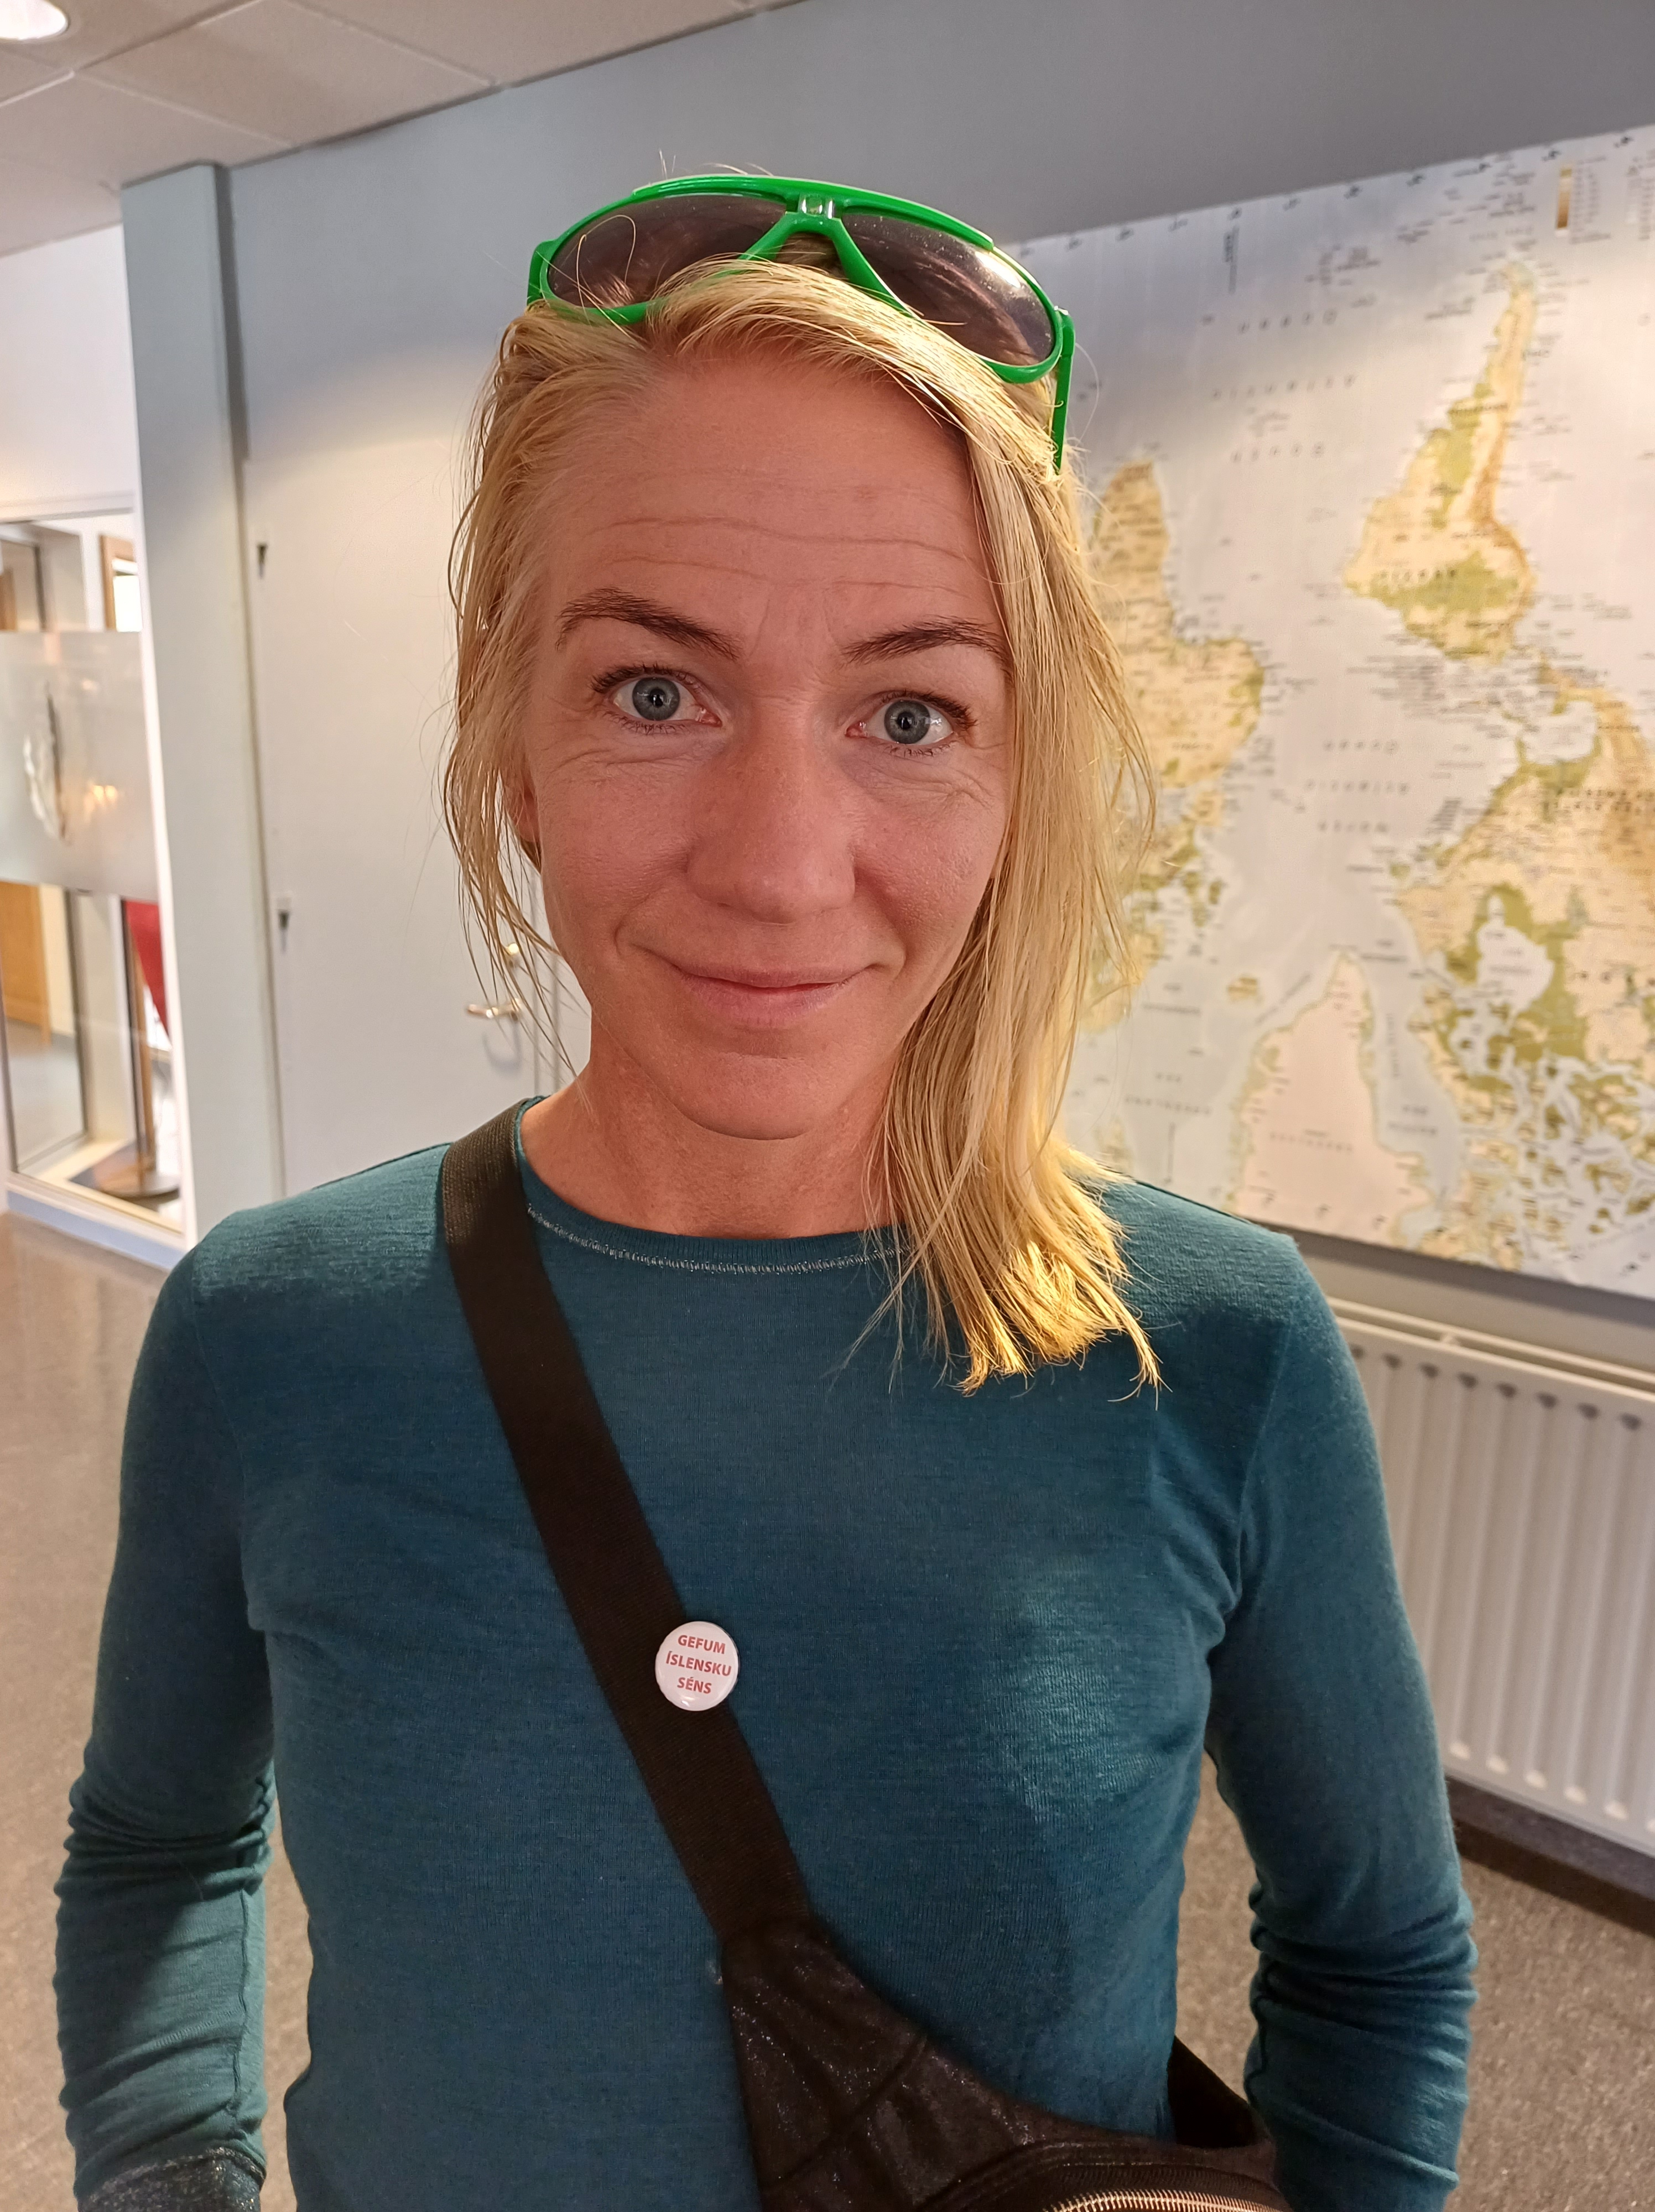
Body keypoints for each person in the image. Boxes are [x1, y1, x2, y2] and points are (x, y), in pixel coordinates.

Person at [56, 178, 1475, 2212]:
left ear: (1019, 778)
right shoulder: (274, 1332)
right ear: (511, 732)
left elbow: (1377, 1957)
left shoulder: (1210, 1353)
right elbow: (160, 1841)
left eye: (911, 713)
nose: (782, 867)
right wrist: (163, 2180)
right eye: (657, 690)